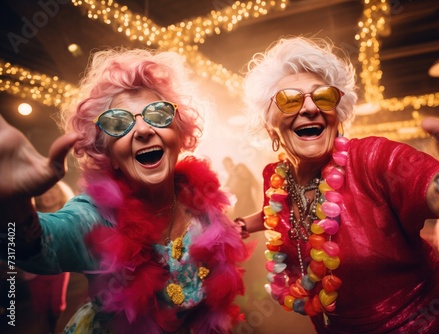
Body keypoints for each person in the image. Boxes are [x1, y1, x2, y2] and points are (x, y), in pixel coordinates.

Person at [236, 36, 439, 333]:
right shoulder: (276, 176)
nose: (310, 108)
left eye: (323, 97)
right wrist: (243, 224)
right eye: (289, 99)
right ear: (269, 124)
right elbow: (281, 213)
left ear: (338, 115)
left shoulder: (373, 158)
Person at [0, 48, 251, 333]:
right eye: (118, 123)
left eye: (158, 114)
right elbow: (38, 246)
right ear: (107, 153)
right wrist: (14, 204)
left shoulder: (199, 202)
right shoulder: (95, 218)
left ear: (179, 135)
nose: (143, 130)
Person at [22, 181, 75, 334]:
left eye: (53, 190)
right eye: (44, 191)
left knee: (57, 307)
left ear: (61, 192)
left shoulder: (69, 213)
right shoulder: (31, 214)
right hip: (36, 273)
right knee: (41, 308)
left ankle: (53, 330)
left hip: (59, 270)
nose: (48, 194)